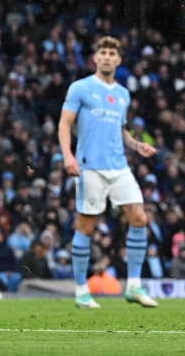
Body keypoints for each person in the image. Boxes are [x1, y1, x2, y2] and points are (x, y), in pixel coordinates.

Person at [58, 35, 158, 309]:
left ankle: (134, 286)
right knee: (86, 226)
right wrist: (68, 155)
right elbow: (65, 124)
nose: (106, 56)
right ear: (96, 57)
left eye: (111, 53)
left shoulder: (123, 94)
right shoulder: (80, 88)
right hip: (90, 166)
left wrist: (137, 145)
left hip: (119, 166)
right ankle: (80, 290)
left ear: (118, 59)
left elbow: (120, 130)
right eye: (101, 52)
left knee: (139, 218)